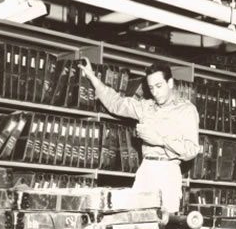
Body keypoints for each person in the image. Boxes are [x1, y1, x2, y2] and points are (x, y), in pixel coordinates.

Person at [79, 59, 200, 213]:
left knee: (165, 221)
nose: (155, 92)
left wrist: (161, 141)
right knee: (136, 215)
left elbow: (192, 150)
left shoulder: (187, 110)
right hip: (146, 168)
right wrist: (92, 77)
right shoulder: (145, 106)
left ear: (170, 83)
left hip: (168, 170)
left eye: (159, 86)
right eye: (151, 88)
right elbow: (116, 103)